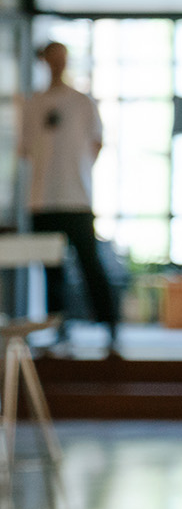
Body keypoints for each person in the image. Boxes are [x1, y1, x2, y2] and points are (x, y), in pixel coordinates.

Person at [19, 42, 120, 354]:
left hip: (77, 199)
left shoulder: (82, 102)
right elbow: (25, 149)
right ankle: (59, 328)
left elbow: (97, 143)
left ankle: (110, 325)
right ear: (44, 62)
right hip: (42, 200)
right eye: (51, 59)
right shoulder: (34, 103)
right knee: (52, 269)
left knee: (91, 264)